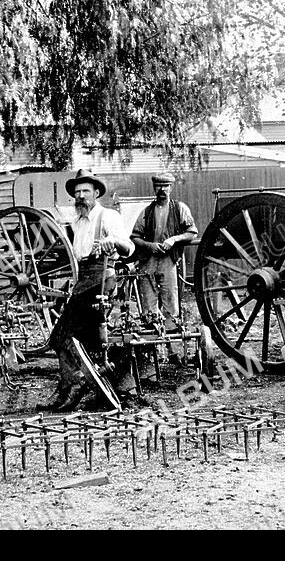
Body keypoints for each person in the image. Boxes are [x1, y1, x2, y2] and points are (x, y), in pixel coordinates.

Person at [39, 169, 135, 411]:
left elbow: (129, 248)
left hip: (102, 281)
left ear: (96, 194)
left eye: (85, 192)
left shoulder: (108, 217)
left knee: (64, 335)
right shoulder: (77, 221)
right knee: (63, 336)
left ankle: (74, 387)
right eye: (77, 192)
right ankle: (69, 386)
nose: (80, 196)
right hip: (83, 282)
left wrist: (112, 242)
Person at [129, 172, 197, 326]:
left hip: (169, 261)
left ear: (171, 187)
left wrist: (174, 239)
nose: (162, 189)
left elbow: (192, 232)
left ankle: (171, 342)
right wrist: (149, 246)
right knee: (148, 303)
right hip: (148, 261)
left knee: (170, 302)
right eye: (159, 186)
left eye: (165, 186)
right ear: (154, 188)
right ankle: (151, 342)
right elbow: (134, 237)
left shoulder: (179, 208)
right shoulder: (146, 212)